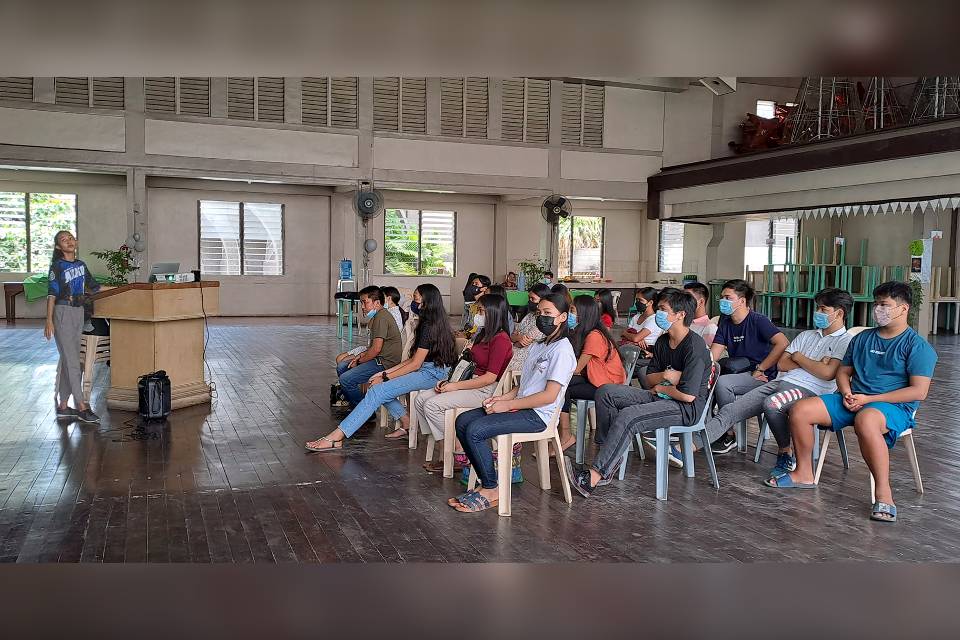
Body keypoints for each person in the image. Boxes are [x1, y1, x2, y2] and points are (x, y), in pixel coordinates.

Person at [767, 281, 937, 523]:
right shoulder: (863, 339)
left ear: (903, 308)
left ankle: (884, 494)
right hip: (852, 399)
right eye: (877, 304)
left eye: (885, 305)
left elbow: (918, 392)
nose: (879, 309)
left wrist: (870, 399)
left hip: (891, 406)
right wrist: (847, 393)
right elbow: (843, 372)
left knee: (866, 420)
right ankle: (803, 472)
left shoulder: (918, 347)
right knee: (801, 409)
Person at [566, 289, 712, 496]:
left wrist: (662, 385)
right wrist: (668, 377)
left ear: (680, 315)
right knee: (606, 392)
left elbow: (687, 395)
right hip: (661, 395)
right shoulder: (662, 342)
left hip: (685, 408)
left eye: (663, 309)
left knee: (629, 415)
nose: (658, 314)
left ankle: (594, 476)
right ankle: (608, 456)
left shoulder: (694, 346)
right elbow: (649, 377)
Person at [696, 288, 855, 477]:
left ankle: (785, 452)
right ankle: (687, 448)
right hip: (781, 382)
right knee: (730, 410)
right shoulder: (807, 336)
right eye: (817, 309)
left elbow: (827, 373)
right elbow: (782, 364)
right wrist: (812, 363)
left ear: (839, 313)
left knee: (773, 404)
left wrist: (798, 358)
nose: (817, 313)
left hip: (810, 390)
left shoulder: (846, 341)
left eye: (822, 309)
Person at [447, 292, 576, 513]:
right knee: (463, 421)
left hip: (537, 416)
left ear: (562, 317)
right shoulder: (538, 346)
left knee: (476, 430)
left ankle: (491, 488)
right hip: (521, 406)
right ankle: (486, 483)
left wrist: (507, 406)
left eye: (548, 313)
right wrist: (502, 398)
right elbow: (525, 385)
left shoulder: (562, 350)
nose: (541, 317)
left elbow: (549, 396)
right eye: (540, 312)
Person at [307, 284, 458, 451]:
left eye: (415, 300)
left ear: (427, 302)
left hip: (433, 374)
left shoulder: (430, 326)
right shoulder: (428, 323)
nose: (412, 304)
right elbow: (413, 360)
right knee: (376, 383)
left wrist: (385, 376)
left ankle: (336, 437)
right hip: (425, 369)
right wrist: (384, 373)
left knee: (378, 389)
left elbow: (415, 363)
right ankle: (406, 423)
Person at [413, 293, 514, 474]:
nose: (478, 315)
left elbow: (490, 377)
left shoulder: (501, 339)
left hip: (485, 390)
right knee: (420, 399)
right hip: (469, 381)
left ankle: (458, 451)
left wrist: (454, 386)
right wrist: (449, 381)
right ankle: (448, 446)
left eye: (481, 311)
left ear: (493, 313)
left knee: (432, 405)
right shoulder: (482, 334)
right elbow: (467, 365)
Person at [709, 279, 789, 454]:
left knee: (723, 383)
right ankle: (701, 426)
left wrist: (761, 368)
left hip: (762, 375)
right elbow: (713, 355)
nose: (723, 301)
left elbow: (782, 343)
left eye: (728, 297)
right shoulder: (726, 323)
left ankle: (728, 434)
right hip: (738, 371)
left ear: (742, 301)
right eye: (722, 297)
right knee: (709, 379)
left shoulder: (758, 321)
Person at [44, 229, 101, 423]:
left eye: (70, 237)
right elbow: (51, 294)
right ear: (59, 247)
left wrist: (123, 289)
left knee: (72, 359)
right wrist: (49, 320)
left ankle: (63, 406)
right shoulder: (57, 267)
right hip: (63, 312)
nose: (68, 240)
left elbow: (95, 287)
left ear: (75, 242)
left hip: (78, 312)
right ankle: (81, 406)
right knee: (72, 361)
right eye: (63, 239)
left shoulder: (81, 265)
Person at [558, 295, 626, 453]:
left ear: (584, 314)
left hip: (607, 387)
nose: (570, 314)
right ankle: (562, 434)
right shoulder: (587, 332)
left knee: (561, 387)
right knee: (560, 383)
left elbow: (576, 368)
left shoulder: (594, 336)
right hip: (594, 380)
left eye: (572, 310)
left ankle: (565, 435)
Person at [333, 286, 403, 410]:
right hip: (378, 358)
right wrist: (360, 356)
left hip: (385, 362)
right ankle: (357, 402)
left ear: (377, 303)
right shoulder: (377, 317)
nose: (363, 307)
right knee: (342, 366)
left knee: (346, 380)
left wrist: (359, 361)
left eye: (365, 302)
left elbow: (376, 349)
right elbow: (372, 347)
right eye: (361, 303)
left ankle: (364, 411)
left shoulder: (381, 317)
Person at [506, 283, 550, 371]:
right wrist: (518, 337)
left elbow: (521, 343)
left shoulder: (544, 321)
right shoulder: (529, 315)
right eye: (529, 298)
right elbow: (513, 335)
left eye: (533, 299)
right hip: (514, 350)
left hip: (526, 358)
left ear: (542, 300)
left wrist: (516, 339)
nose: (529, 301)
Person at [682, 282, 718, 346]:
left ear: (701, 302)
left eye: (688, 298)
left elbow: (713, 355)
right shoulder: (683, 322)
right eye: (683, 298)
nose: (684, 301)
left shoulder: (710, 328)